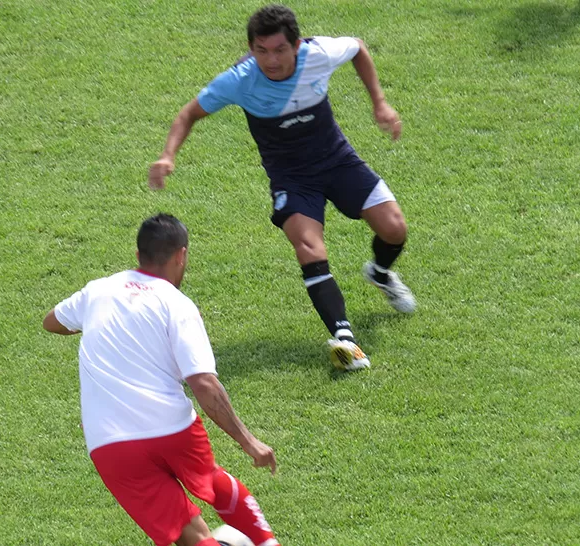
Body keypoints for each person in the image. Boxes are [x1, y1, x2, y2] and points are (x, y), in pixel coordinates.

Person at [148, 4, 416, 371]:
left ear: (296, 45)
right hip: (292, 178)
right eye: (261, 50)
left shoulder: (317, 55)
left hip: (339, 162)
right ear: (250, 48)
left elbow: (357, 47)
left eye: (278, 50)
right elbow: (189, 113)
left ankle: (380, 274)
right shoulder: (239, 80)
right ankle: (344, 339)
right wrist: (167, 155)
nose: (270, 60)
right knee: (309, 248)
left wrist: (380, 103)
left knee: (394, 228)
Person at [43, 213, 281, 546]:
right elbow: (204, 384)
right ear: (181, 255)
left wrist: (100, 323)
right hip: (172, 429)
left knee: (188, 535)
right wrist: (248, 441)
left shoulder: (98, 291)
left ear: (138, 255)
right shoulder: (177, 305)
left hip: (110, 443)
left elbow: (52, 321)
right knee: (211, 480)